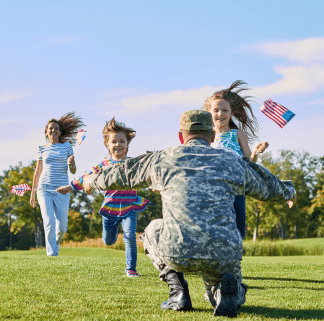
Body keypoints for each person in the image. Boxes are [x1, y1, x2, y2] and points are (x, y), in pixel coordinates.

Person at [82, 110, 295, 317]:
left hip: (177, 249)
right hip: (221, 252)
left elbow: (124, 173)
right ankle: (226, 292)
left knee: (152, 230)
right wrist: (289, 191)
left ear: (180, 136)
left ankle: (178, 292)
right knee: (221, 283)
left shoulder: (162, 158)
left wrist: (92, 180)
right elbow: (268, 186)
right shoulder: (231, 160)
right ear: (212, 136)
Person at [57, 118, 150, 277]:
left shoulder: (133, 164)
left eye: (122, 141)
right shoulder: (104, 165)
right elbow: (86, 177)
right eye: (114, 141)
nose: (118, 144)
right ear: (107, 144)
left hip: (130, 206)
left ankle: (131, 269)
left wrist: (154, 184)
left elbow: (147, 175)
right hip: (110, 208)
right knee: (108, 240)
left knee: (129, 236)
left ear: (127, 144)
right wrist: (69, 187)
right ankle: (111, 235)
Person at [203, 80, 269, 239]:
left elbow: (249, 164)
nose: (220, 114)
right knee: (214, 228)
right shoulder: (206, 135)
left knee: (239, 229)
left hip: (237, 188)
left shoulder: (238, 134)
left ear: (231, 113)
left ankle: (231, 260)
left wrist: (255, 152)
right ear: (209, 113)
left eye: (225, 110)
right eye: (216, 110)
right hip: (214, 189)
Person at [30, 112, 84, 256]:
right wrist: (33, 194)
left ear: (60, 132)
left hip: (62, 190)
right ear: (46, 132)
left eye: (55, 128)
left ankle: (56, 243)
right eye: (50, 129)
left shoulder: (66, 147)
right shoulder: (41, 148)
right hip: (44, 189)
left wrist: (72, 163)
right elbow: (37, 172)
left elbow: (73, 171)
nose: (53, 130)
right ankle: (52, 255)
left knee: (62, 228)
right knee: (49, 223)